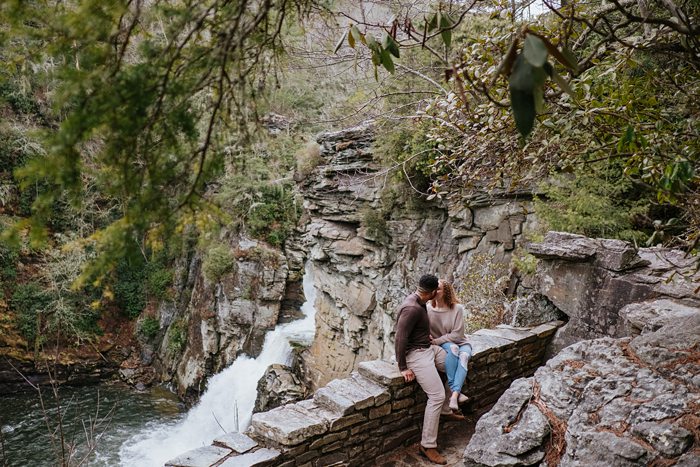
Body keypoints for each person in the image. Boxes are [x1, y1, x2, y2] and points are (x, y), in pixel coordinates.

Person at [394, 274, 460, 465]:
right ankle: (428, 446)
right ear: (431, 293)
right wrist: (403, 367)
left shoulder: (421, 301)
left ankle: (447, 410)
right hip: (416, 355)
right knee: (436, 395)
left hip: (428, 348)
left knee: (453, 364)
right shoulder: (411, 308)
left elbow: (417, 330)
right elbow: (400, 338)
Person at [428, 279, 473, 411]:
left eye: (438, 289)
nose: (435, 292)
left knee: (464, 356)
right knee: (453, 349)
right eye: (434, 289)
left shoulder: (457, 308)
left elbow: (457, 335)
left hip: (461, 341)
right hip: (445, 344)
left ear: (446, 291)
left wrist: (436, 341)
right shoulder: (428, 309)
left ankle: (454, 395)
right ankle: (456, 392)